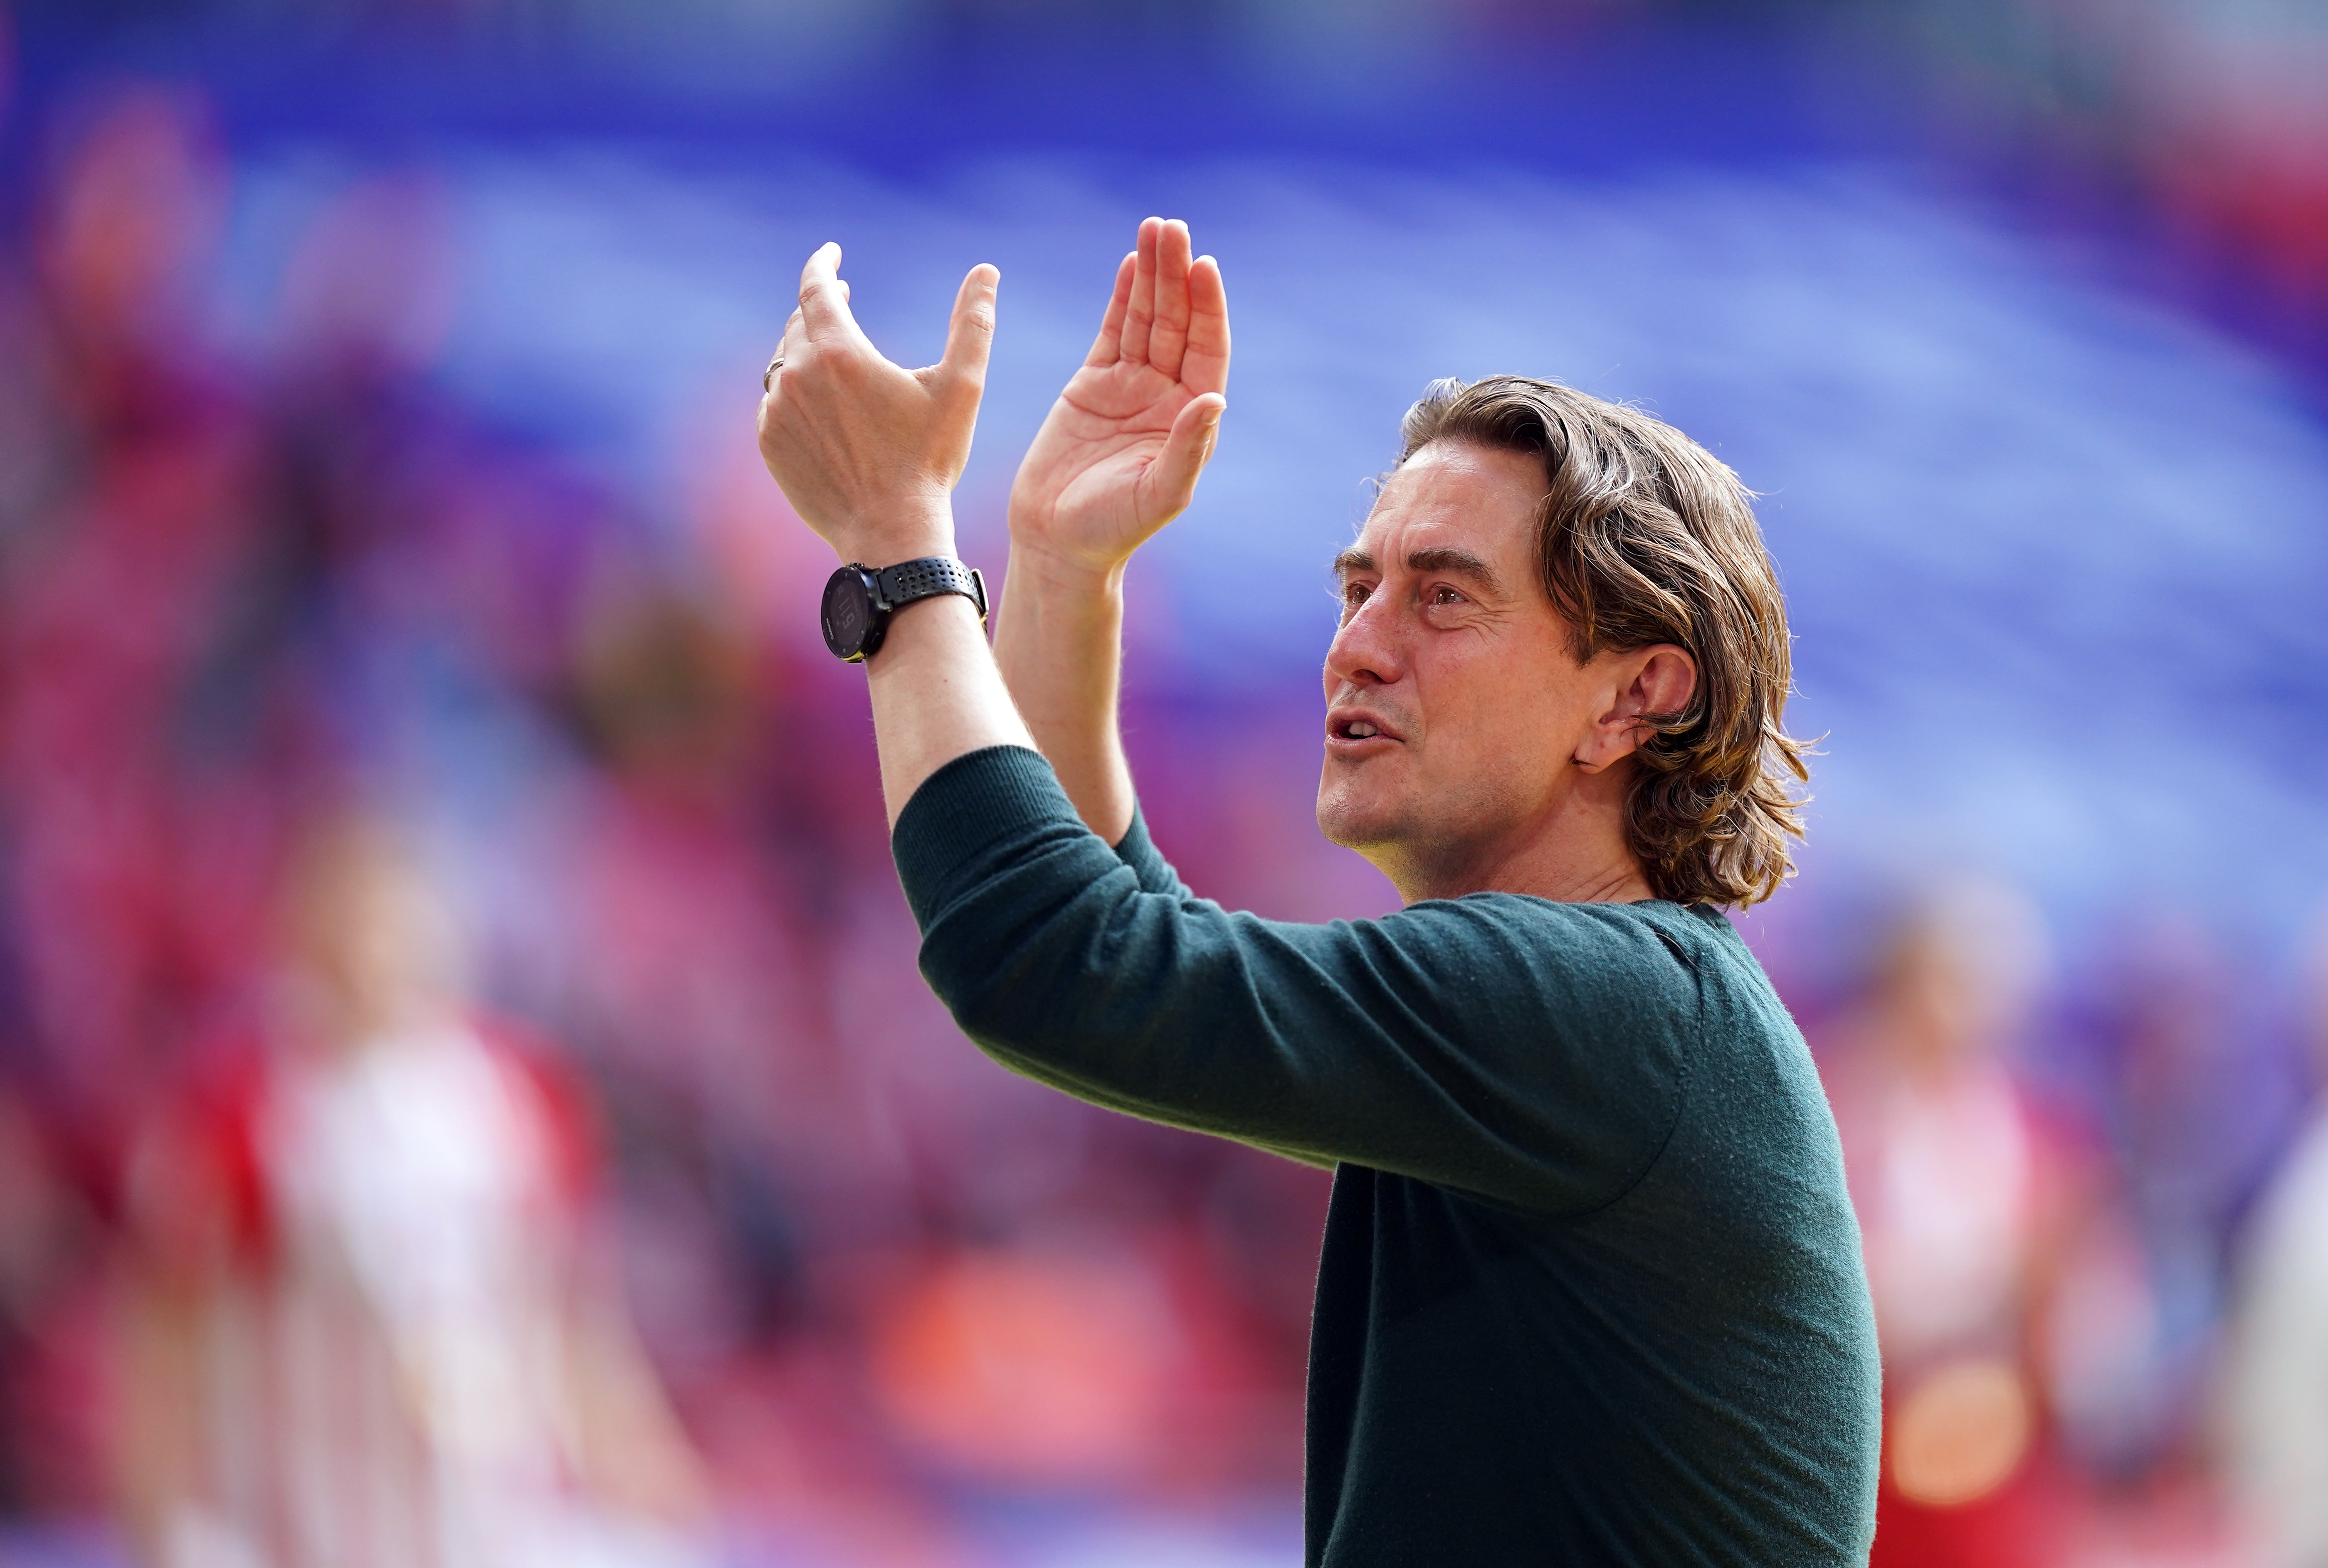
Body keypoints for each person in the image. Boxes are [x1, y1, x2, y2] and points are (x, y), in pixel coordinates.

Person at [754, 217, 1880, 1565]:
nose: (1357, 643)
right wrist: (1060, 566)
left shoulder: (1615, 1007)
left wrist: (899, 550)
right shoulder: (1607, 1014)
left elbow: (1054, 956)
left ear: (1635, 694)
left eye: (1443, 598)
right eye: (1359, 587)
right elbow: (1103, 929)